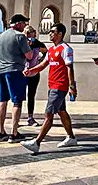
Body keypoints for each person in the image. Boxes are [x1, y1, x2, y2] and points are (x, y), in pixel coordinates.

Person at [21, 23, 77, 153]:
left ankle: (37, 142)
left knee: (49, 114)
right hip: (52, 85)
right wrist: (31, 71)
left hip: (60, 86)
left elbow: (70, 68)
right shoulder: (51, 50)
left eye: (53, 31)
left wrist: (72, 85)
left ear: (60, 34)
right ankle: (71, 137)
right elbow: (43, 65)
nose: (50, 33)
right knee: (62, 111)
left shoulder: (66, 49)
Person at [0, 14, 33, 143]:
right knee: (17, 102)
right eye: (23, 23)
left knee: (2, 101)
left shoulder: (2, 36)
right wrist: (30, 47)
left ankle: (0, 132)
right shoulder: (20, 36)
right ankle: (14, 133)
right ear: (17, 24)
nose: (25, 26)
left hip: (1, 71)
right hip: (15, 71)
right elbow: (29, 55)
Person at [23, 25, 48, 127]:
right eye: (27, 33)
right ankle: (16, 117)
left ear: (34, 33)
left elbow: (46, 53)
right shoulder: (22, 44)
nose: (29, 35)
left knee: (31, 96)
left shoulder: (38, 44)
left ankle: (30, 117)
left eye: (31, 32)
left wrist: (40, 62)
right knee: (19, 96)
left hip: (34, 74)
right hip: (23, 73)